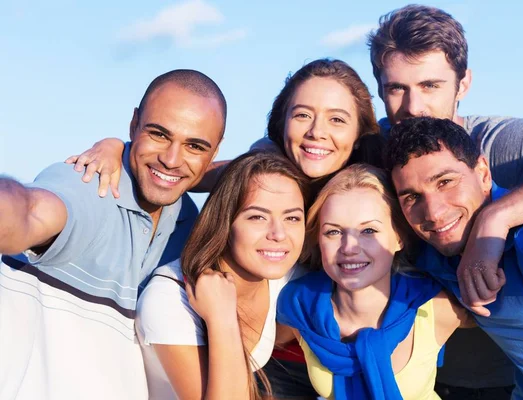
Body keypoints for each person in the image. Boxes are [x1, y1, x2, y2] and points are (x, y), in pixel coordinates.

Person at [68, 58, 383, 400]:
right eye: (303, 114)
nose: (316, 131)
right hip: (274, 362)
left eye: (337, 119)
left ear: (359, 133)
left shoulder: (370, 186)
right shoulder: (266, 173)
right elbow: (186, 169)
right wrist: (121, 149)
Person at [368, 5, 523, 398]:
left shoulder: (501, 145)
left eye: (430, 85)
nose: (413, 107)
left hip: (509, 374)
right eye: (396, 88)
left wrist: (496, 220)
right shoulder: (374, 150)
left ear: (462, 85)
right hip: (440, 373)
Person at [0, 69, 226, 399]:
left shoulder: (190, 223)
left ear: (214, 153)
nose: (171, 159)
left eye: (194, 145)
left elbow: (256, 174)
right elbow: (29, 212)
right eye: (159, 134)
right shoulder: (91, 183)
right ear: (134, 124)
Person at [386, 116, 523, 400]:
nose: (433, 213)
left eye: (446, 182)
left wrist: (495, 218)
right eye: (412, 197)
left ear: (484, 174)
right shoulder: (429, 254)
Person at [278, 164, 474, 399]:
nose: (349, 248)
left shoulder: (438, 308)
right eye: (333, 232)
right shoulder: (298, 307)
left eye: (369, 231)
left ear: (399, 238)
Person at [136, 151, 308, 399]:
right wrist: (221, 318)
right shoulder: (170, 298)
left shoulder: (284, 276)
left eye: (292, 217)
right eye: (257, 217)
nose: (279, 234)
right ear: (224, 221)